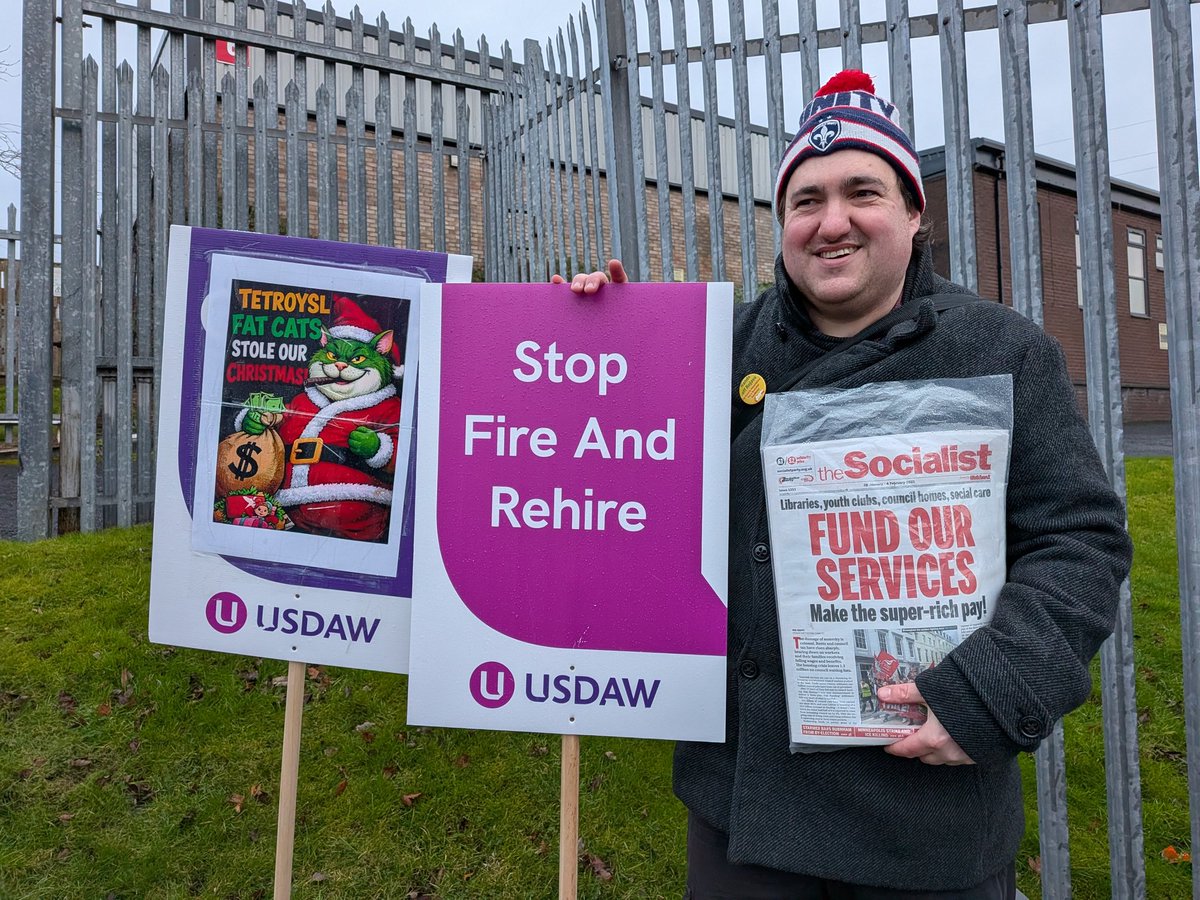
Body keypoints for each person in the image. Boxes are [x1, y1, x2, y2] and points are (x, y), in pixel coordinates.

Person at [556, 69, 1132, 899]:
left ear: (913, 211)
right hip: (745, 815)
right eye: (806, 200)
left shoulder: (1001, 350)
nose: (832, 223)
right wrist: (590, 340)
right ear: (783, 222)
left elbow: (1080, 540)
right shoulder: (714, 346)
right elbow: (603, 470)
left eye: (863, 192)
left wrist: (995, 689)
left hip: (928, 817)